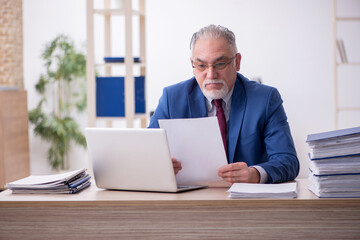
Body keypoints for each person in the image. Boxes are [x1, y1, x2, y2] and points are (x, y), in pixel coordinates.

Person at [148, 24, 299, 184]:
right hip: (190, 198)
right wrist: (159, 166)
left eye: (220, 64)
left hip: (246, 202)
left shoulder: (265, 99)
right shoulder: (172, 98)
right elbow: (147, 152)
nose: (211, 74)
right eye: (201, 66)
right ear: (193, 65)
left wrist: (255, 174)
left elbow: (288, 161)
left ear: (237, 62)